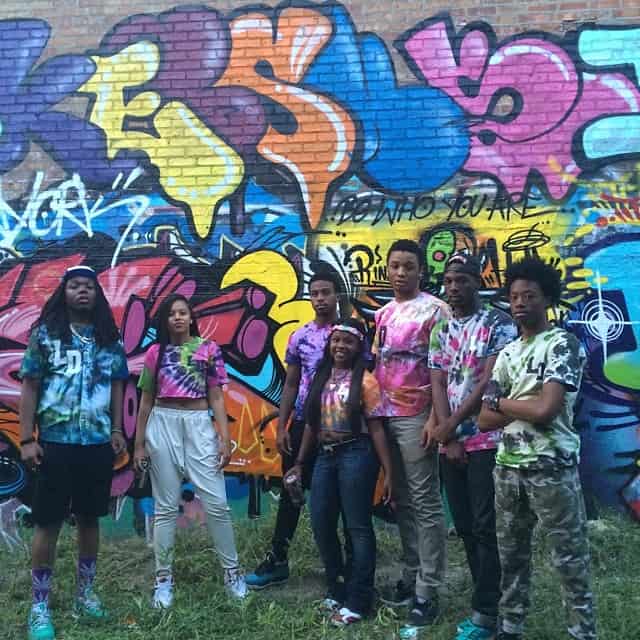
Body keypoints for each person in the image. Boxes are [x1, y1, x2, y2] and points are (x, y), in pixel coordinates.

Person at [478, 257, 597, 640]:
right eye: (514, 296)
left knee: (569, 559)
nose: (520, 303)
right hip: (507, 468)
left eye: (529, 295)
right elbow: (484, 420)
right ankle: (510, 627)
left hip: (552, 468)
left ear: (547, 299)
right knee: (512, 557)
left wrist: (503, 402)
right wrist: (520, 405)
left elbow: (546, 410)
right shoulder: (508, 353)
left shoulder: (562, 344)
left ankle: (582, 632)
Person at [19, 265, 129, 640]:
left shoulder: (109, 339)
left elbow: (118, 385)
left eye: (89, 287)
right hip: (55, 443)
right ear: (63, 292)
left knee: (89, 519)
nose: (82, 291)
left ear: (97, 294)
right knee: (48, 522)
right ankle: (39, 606)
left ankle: (85, 594)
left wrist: (117, 429)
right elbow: (30, 386)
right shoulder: (45, 335)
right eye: (75, 286)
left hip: (96, 444)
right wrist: (27, 439)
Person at [133, 293, 246, 608]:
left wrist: (224, 437)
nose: (178, 318)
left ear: (191, 317)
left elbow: (217, 397)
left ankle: (232, 573)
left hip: (198, 425)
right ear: (165, 320)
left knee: (218, 504)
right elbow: (145, 400)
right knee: (165, 507)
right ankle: (163, 580)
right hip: (162, 423)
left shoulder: (208, 350)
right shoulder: (155, 353)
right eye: (172, 314)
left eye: (183, 312)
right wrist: (139, 444)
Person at [428, 253, 518, 640]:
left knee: (485, 526)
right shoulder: (440, 328)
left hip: (486, 438)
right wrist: (447, 436)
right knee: (464, 525)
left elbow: (488, 380)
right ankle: (485, 603)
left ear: (476, 282)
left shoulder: (499, 323)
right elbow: (436, 380)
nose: (453, 288)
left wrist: (451, 426)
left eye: (461, 280)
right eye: (448, 281)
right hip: (450, 441)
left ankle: (488, 611)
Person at [289, 318, 393, 626]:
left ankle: (359, 599)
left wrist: (389, 471)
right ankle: (337, 587)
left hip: (356, 454)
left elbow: (377, 429)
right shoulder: (321, 376)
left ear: (359, 347)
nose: (341, 346)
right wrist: (299, 461)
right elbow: (311, 424)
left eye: (348, 341)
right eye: (336, 340)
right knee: (321, 521)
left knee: (357, 527)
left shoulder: (367, 382)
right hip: (325, 455)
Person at [246, 270, 343, 589]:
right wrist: (283, 425)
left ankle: (342, 565)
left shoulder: (348, 335)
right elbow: (290, 383)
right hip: (301, 424)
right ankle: (278, 559)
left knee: (338, 498)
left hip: (338, 428)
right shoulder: (300, 336)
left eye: (326, 292)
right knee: (291, 491)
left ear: (337, 295)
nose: (320, 299)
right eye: (315, 293)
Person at [373, 239, 450, 627]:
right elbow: (377, 365)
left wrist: (436, 417)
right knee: (401, 500)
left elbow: (444, 368)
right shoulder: (383, 313)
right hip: (384, 414)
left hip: (417, 415)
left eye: (408, 266)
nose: (400, 272)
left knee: (425, 500)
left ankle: (428, 589)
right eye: (395, 266)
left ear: (421, 271)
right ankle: (411, 572)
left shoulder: (436, 310)